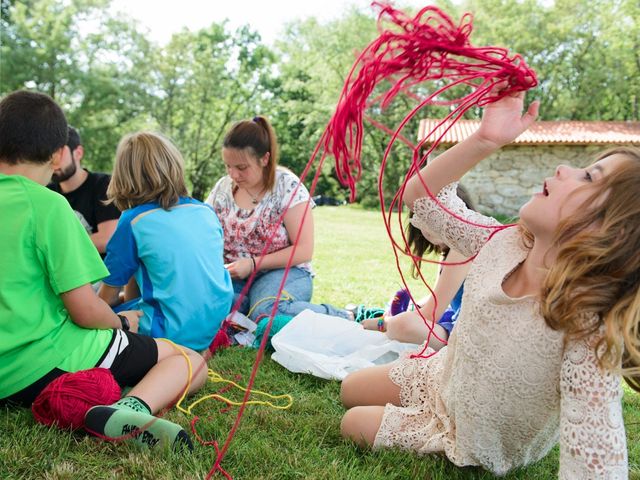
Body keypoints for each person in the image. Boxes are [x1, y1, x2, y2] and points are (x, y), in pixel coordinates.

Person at [340, 84, 639, 477]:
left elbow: (596, 454)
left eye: (588, 177)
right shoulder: (502, 243)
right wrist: (485, 139)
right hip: (444, 377)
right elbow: (422, 197)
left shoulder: (584, 326)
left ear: (611, 232)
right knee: (350, 389)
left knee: (353, 423)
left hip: (473, 437)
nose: (565, 169)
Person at [0, 90, 207, 450]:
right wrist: (124, 322)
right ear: (55, 154)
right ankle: (129, 409)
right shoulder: (48, 205)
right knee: (190, 359)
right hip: (43, 361)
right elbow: (84, 310)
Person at [205, 116, 352, 322]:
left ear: (264, 159)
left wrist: (253, 264)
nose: (233, 174)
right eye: (228, 166)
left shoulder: (287, 187)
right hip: (235, 276)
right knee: (207, 304)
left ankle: (348, 316)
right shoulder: (223, 188)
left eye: (241, 167)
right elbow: (204, 232)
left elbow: (303, 249)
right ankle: (243, 310)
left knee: (266, 310)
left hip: (285, 273)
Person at [98, 131, 234, 352]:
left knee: (93, 318)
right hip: (211, 323)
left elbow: (105, 301)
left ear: (124, 176)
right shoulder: (205, 211)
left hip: (170, 333)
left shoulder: (133, 221)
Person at [361, 186, 475, 349]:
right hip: (458, 323)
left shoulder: (463, 248)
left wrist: (384, 323)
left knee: (403, 325)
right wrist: (412, 308)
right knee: (407, 315)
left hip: (469, 334)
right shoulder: (449, 251)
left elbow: (431, 314)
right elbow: (434, 298)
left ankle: (387, 322)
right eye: (420, 217)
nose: (425, 227)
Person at [48, 126, 120, 256]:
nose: (54, 162)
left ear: (78, 153)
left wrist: (56, 247)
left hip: (103, 273)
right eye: (48, 156)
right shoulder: (47, 193)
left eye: (59, 154)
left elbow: (107, 239)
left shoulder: (103, 184)